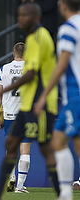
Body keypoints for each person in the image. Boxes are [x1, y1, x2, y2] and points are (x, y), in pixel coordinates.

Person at [0, 2, 60, 200]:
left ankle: (62, 193)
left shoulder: (40, 39)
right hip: (25, 106)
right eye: (19, 15)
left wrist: (0, 92)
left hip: (37, 106)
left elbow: (31, 74)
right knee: (13, 144)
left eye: (24, 15)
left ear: (36, 17)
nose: (20, 19)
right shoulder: (33, 38)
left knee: (46, 149)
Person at [34, 0, 80, 199]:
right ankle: (66, 194)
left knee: (60, 141)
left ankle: (66, 194)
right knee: (64, 140)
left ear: (62, 5)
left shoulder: (68, 29)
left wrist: (44, 94)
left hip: (75, 93)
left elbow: (62, 64)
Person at [0, 42, 31, 194]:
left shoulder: (4, 69)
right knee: (25, 149)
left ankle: (11, 177)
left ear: (13, 54)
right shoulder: (31, 68)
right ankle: (20, 186)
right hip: (27, 113)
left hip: (9, 113)